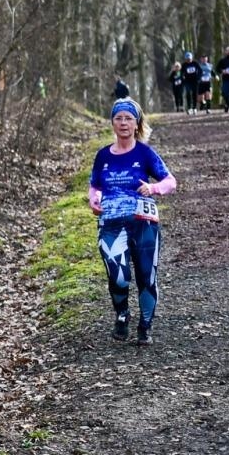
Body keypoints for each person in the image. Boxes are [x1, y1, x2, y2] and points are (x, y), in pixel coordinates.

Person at [88, 99, 177, 345]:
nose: (124, 123)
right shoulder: (103, 156)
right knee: (118, 275)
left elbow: (171, 181)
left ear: (137, 122)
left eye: (128, 118)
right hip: (111, 223)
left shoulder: (145, 153)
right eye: (119, 118)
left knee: (146, 276)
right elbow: (95, 185)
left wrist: (153, 187)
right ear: (113, 123)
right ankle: (122, 316)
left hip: (144, 221)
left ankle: (145, 327)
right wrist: (94, 200)